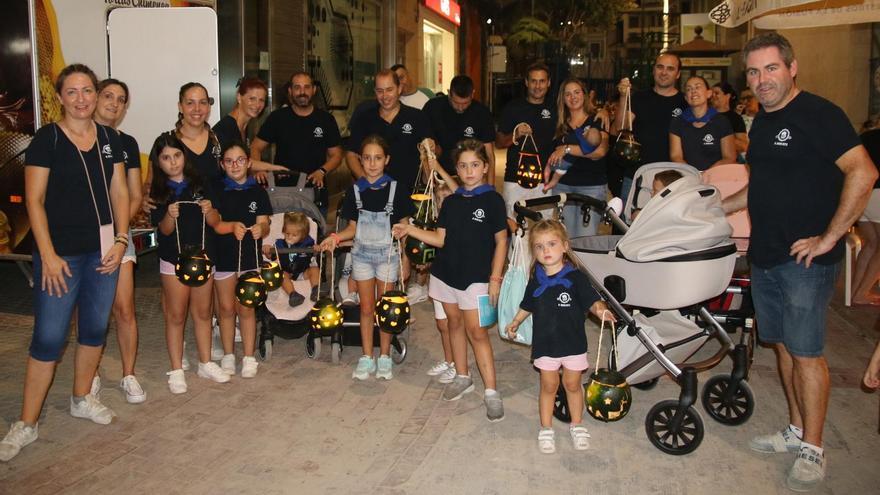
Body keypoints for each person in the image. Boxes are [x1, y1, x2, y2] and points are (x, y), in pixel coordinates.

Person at [722, 33, 878, 492]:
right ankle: (794, 430)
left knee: (807, 354)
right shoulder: (762, 122)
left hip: (805, 261)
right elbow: (760, 185)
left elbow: (864, 171)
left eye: (770, 68)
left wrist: (830, 236)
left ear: (792, 67)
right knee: (784, 348)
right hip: (766, 254)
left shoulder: (819, 114)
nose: (762, 79)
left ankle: (814, 447)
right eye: (753, 71)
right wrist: (716, 206)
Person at [0, 64, 130, 462]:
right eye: (72, 92)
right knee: (50, 338)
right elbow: (34, 201)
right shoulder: (47, 140)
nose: (81, 98)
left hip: (103, 251)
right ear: (60, 97)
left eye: (87, 90)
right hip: (59, 254)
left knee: (94, 328)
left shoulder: (110, 139)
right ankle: (26, 422)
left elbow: (120, 192)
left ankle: (80, 398)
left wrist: (122, 240)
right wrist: (49, 255)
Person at [393, 139, 508, 422]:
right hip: (445, 274)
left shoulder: (493, 200)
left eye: (475, 165)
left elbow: (502, 241)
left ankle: (492, 392)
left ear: (485, 168)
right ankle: (462, 375)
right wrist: (410, 229)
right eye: (463, 166)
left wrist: (494, 278)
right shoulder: (452, 201)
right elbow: (440, 239)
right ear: (457, 169)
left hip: (476, 279)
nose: (469, 171)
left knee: (478, 333)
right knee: (453, 324)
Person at [505, 219, 610, 453]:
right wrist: (516, 321)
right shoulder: (535, 280)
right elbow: (527, 304)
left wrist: (601, 310)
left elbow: (592, 300)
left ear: (565, 246)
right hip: (546, 344)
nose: (546, 251)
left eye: (551, 244)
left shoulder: (576, 278)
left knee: (572, 384)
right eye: (539, 246)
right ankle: (546, 428)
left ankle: (577, 424)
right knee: (549, 385)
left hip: (573, 343)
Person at [320, 135, 414, 381]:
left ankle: (383, 357)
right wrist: (335, 238)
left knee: (386, 308)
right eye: (367, 158)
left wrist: (406, 259)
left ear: (387, 160)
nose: (372, 163)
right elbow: (352, 228)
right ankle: (366, 356)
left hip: (388, 257)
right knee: (366, 308)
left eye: (378, 158)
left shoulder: (397, 189)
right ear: (361, 160)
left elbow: (405, 230)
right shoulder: (354, 191)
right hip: (361, 256)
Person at [148, 132, 229, 394]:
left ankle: (205, 362)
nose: (173, 162)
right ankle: (176, 369)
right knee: (175, 315)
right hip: (174, 260)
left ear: (185, 156)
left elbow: (216, 221)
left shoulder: (202, 182)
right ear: (158, 163)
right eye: (166, 158)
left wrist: (210, 210)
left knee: (204, 312)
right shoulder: (158, 192)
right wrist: (170, 215)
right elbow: (164, 230)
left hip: (204, 257)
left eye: (177, 155)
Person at [90, 78, 146, 404]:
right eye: (108, 96)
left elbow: (134, 194)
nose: (114, 103)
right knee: (92, 312)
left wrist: (118, 231)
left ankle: (128, 375)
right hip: (84, 238)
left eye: (121, 99)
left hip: (118, 236)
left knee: (125, 309)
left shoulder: (127, 143)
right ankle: (91, 374)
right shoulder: (74, 137)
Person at [211, 142, 272, 378]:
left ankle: (248, 356)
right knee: (226, 309)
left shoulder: (258, 191)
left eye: (239, 160)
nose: (235, 165)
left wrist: (261, 229)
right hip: (224, 257)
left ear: (248, 162)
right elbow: (215, 224)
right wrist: (230, 228)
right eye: (229, 161)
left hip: (249, 258)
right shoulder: (217, 190)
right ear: (222, 164)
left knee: (246, 309)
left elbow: (264, 223)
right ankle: (228, 355)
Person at [250, 72, 343, 210]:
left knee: (315, 231)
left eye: (306, 87)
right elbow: (255, 147)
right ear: (290, 91)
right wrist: (258, 171)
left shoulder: (326, 120)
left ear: (314, 90)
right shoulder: (278, 118)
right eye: (297, 87)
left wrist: (321, 171)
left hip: (315, 194)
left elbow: (337, 155)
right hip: (282, 194)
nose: (302, 92)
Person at [346, 69, 435, 194]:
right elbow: (351, 155)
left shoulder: (417, 117)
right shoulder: (364, 118)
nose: (384, 96)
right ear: (375, 92)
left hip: (409, 192)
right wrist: (365, 181)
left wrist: (430, 148)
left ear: (399, 89)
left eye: (389, 90)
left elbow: (430, 153)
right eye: (380, 91)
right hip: (373, 193)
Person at [614, 53, 688, 201]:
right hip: (637, 175)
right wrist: (623, 97)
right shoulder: (639, 98)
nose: (664, 72)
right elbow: (621, 126)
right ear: (654, 70)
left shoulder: (685, 103)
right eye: (660, 67)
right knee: (628, 223)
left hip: (671, 178)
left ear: (678, 74)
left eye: (670, 68)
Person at [544, 78, 610, 237]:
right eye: (568, 94)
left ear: (584, 94)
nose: (573, 97)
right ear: (563, 99)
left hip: (591, 187)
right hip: (563, 186)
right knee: (567, 239)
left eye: (577, 92)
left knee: (586, 239)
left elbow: (599, 153)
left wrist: (567, 149)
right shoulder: (560, 123)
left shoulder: (597, 118)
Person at [497, 63, 557, 225]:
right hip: (515, 180)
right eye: (533, 81)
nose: (538, 86)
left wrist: (600, 111)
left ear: (548, 83)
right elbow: (500, 142)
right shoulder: (513, 108)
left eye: (542, 81)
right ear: (526, 82)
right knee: (516, 230)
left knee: (544, 231)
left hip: (543, 183)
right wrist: (515, 134)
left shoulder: (555, 108)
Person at [422, 75, 496, 184]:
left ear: (473, 94)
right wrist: (430, 182)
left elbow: (489, 154)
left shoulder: (482, 113)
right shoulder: (433, 108)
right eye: (456, 103)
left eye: (465, 103)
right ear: (449, 93)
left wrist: (491, 188)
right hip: (440, 177)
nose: (461, 108)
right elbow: (426, 149)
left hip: (472, 178)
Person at [669, 76, 736, 171]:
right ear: (686, 98)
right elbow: (676, 157)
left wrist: (707, 174)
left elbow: (729, 157)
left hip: (717, 176)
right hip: (688, 177)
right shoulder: (677, 122)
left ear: (709, 93)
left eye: (697, 87)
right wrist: (694, 175)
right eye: (689, 89)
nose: (693, 91)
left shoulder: (722, 121)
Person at [850, 121, 880, 305]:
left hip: (860, 193)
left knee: (871, 244)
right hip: (878, 192)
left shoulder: (866, 137)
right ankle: (862, 292)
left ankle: (854, 292)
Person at [267, 212, 319, 307]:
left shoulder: (307, 243)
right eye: (287, 233)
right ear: (283, 231)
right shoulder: (280, 244)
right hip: (287, 272)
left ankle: (316, 289)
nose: (290, 237)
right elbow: (271, 257)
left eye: (294, 235)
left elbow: (314, 253)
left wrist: (316, 249)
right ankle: (293, 294)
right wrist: (267, 250)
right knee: (280, 275)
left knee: (314, 269)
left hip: (302, 272)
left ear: (303, 235)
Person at [212, 78, 268, 149]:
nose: (257, 105)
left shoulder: (244, 127)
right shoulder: (227, 128)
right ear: (239, 98)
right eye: (252, 99)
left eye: (261, 100)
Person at [711, 82, 749, 159]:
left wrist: (723, 137)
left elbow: (743, 146)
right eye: (712, 93)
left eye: (716, 93)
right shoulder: (705, 115)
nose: (713, 96)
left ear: (727, 96)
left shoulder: (736, 118)